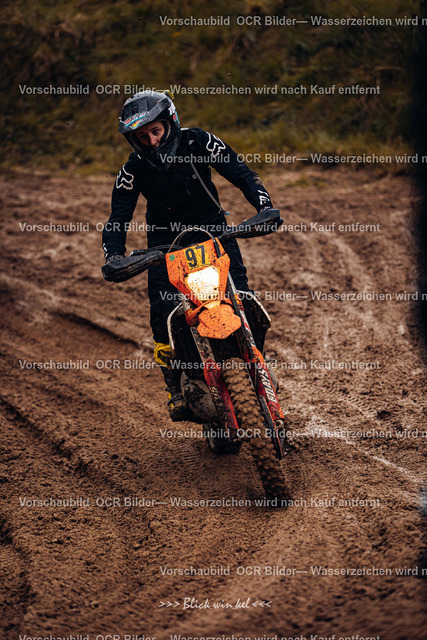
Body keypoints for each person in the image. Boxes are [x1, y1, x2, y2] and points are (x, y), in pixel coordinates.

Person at [102, 89, 275, 421]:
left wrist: (264, 207)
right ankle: (174, 385)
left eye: (156, 131)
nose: (152, 141)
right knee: (163, 314)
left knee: (243, 298)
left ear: (170, 122)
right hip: (165, 245)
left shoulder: (200, 142)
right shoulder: (132, 169)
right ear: (134, 141)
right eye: (143, 137)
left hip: (214, 232)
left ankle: (255, 358)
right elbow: (117, 219)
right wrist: (114, 255)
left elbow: (243, 174)